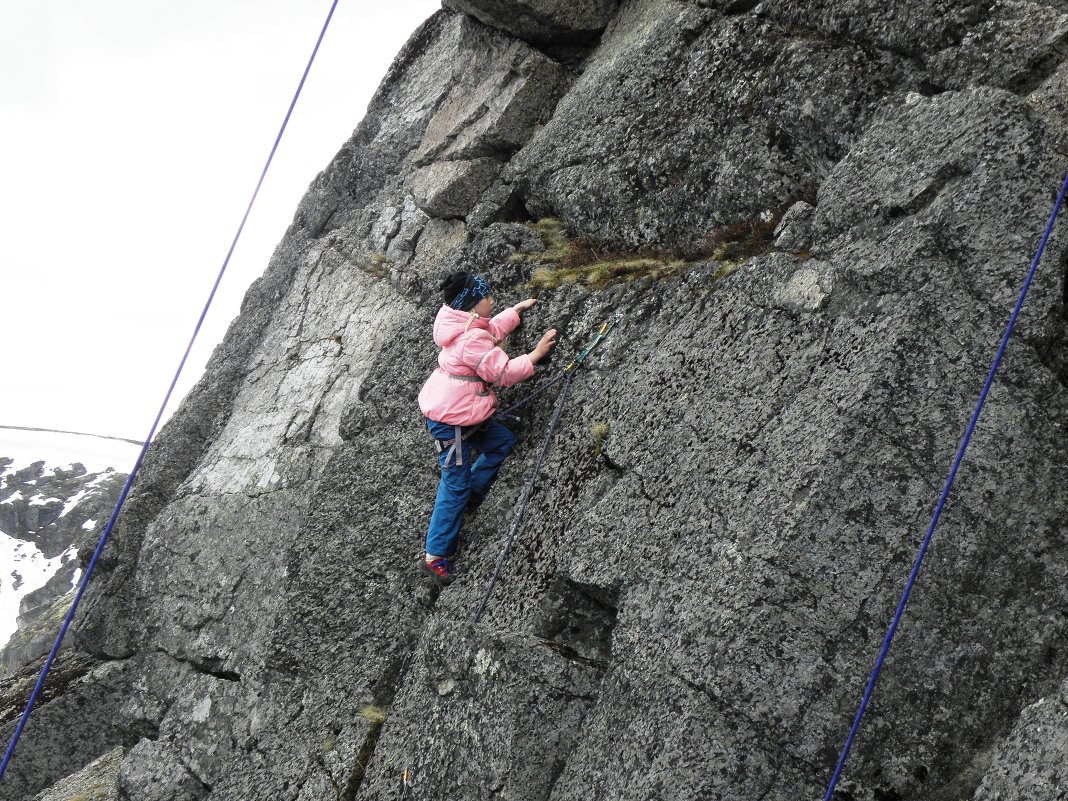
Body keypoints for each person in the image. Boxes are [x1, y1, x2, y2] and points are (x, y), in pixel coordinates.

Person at [417, 272, 557, 584]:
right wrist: (535, 355)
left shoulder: (460, 324)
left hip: (464, 413)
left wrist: (515, 312)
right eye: (486, 298)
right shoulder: (469, 338)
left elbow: (488, 331)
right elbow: (503, 373)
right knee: (454, 482)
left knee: (502, 442)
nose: (491, 301)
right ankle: (435, 554)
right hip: (450, 424)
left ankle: (472, 493)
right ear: (470, 305)